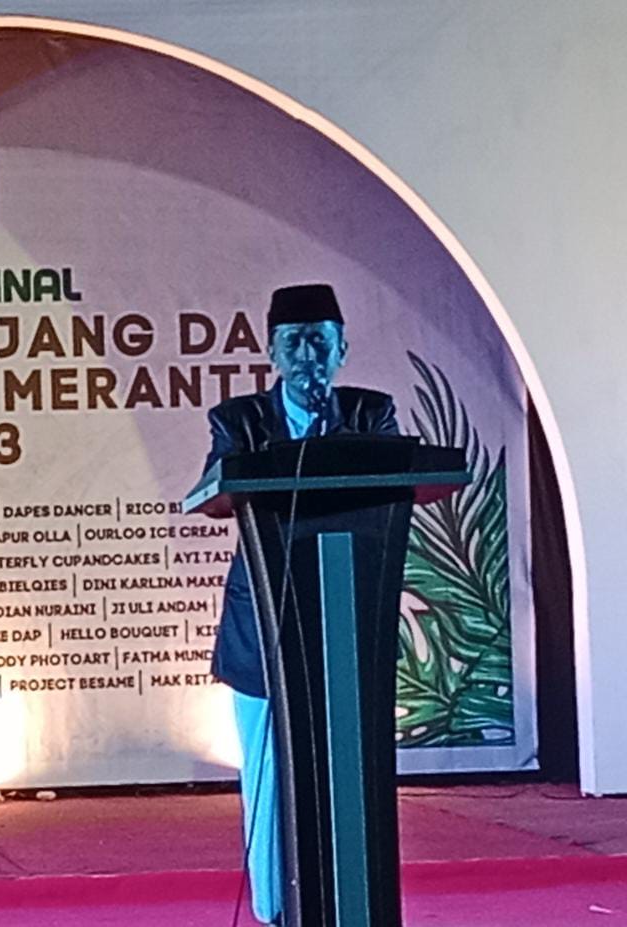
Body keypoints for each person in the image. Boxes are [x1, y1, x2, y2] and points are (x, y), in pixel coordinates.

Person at [199, 283, 399, 925]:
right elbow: (216, 492)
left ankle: (348, 900)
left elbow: (391, 482)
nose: (307, 354)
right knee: (268, 774)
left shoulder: (369, 413)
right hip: (263, 619)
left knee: (343, 770)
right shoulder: (240, 420)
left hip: (344, 616)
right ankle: (273, 910)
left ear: (343, 350)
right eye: (293, 341)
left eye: (320, 340)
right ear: (271, 352)